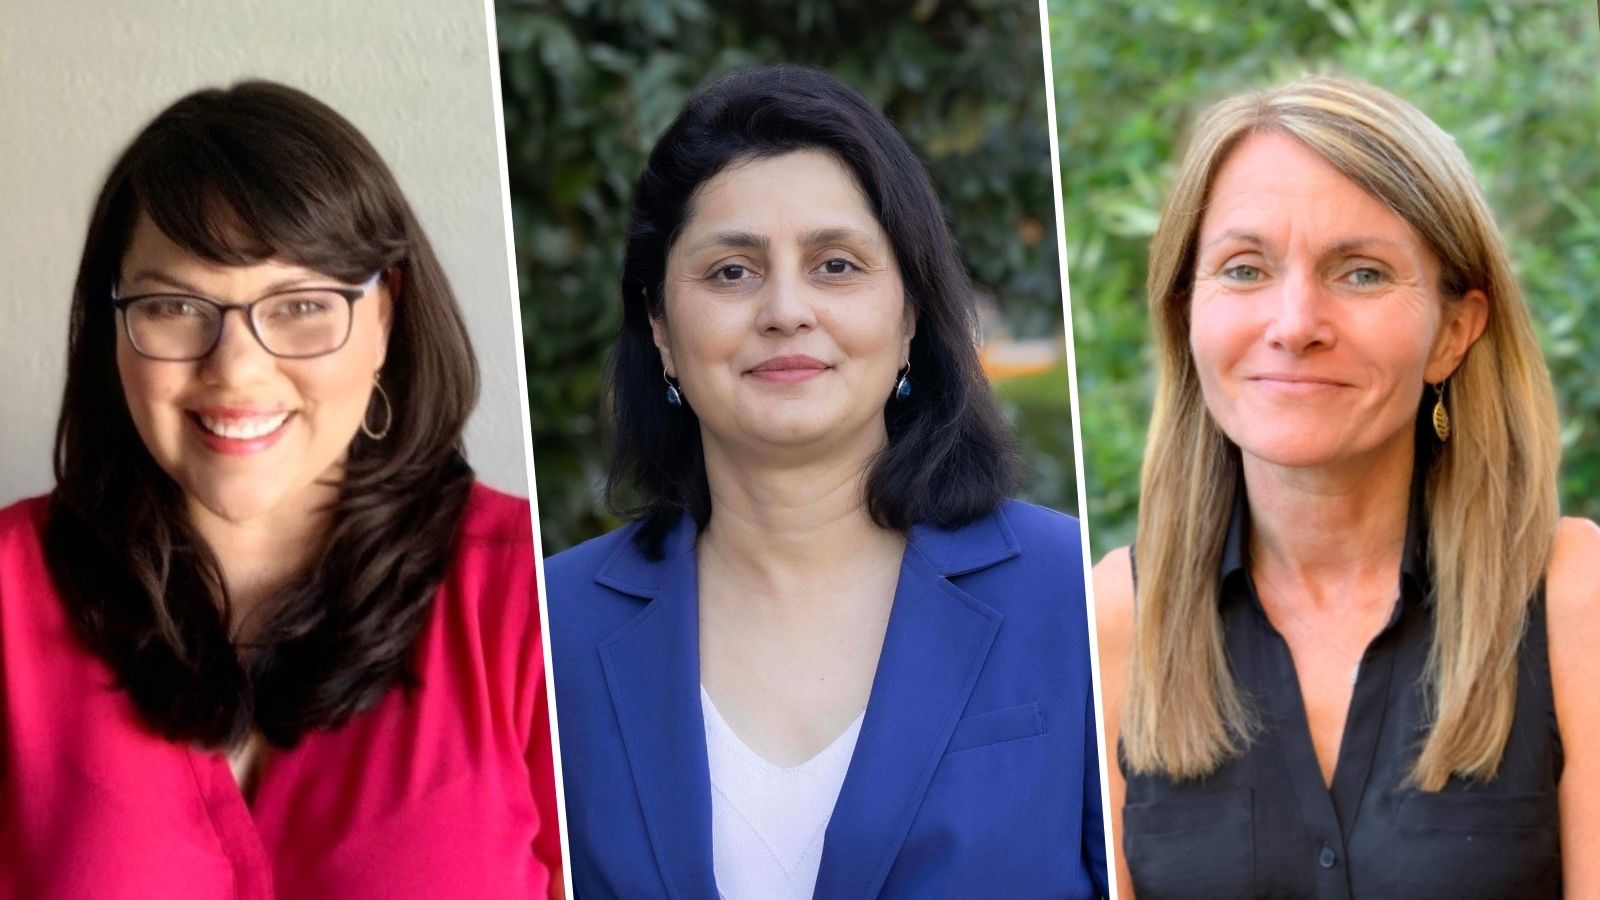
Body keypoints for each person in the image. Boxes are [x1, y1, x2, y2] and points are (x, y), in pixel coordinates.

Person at [544, 65, 1107, 898]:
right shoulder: (553, 626)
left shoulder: (1075, 591)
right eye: (731, 271)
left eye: (836, 265)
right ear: (660, 327)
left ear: (910, 312)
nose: (785, 309)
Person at [0, 82, 561, 898]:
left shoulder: (528, 598)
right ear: (113, 325)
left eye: (300, 304)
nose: (235, 369)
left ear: (386, 316)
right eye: (174, 305)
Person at [1093, 75, 1600, 898]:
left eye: (1361, 273)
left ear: (1454, 332)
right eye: (1245, 269)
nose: (1295, 324)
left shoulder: (1576, 600)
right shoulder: (1115, 618)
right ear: (1188, 313)